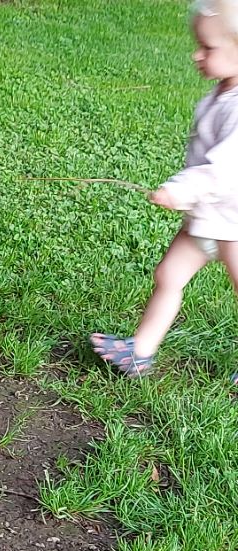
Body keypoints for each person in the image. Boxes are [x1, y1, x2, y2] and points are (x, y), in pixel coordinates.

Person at [91, 0, 238, 384]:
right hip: (206, 216)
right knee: (169, 274)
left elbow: (225, 169)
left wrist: (181, 189)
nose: (196, 54)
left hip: (233, 222)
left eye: (207, 47)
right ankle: (140, 351)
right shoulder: (221, 93)